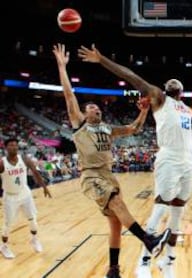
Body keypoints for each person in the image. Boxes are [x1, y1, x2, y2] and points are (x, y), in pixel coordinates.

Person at [52, 43, 171, 278]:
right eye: (91, 107)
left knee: (116, 223)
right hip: (92, 176)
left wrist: (144, 110)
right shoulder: (80, 124)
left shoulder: (107, 128)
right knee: (117, 203)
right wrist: (61, 66)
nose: (96, 109)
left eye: (97, 107)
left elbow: (133, 128)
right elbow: (68, 95)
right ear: (84, 113)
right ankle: (148, 240)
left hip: (109, 175)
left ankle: (113, 269)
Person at [78, 44, 192, 278]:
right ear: (165, 89)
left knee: (177, 214)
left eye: (176, 83)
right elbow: (131, 76)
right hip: (169, 158)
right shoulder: (161, 99)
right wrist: (102, 59)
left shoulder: (185, 108)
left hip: (188, 161)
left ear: (181, 91)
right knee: (160, 207)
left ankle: (168, 263)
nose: (172, 83)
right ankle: (143, 262)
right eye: (169, 82)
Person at [0, 138, 52, 259]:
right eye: (11, 145)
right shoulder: (2, 163)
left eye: (16, 145)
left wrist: (44, 187)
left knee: (33, 219)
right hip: (10, 196)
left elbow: (35, 172)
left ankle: (34, 239)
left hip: (25, 194)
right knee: (8, 224)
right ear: (6, 148)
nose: (14, 147)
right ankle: (4, 246)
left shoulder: (24, 159)